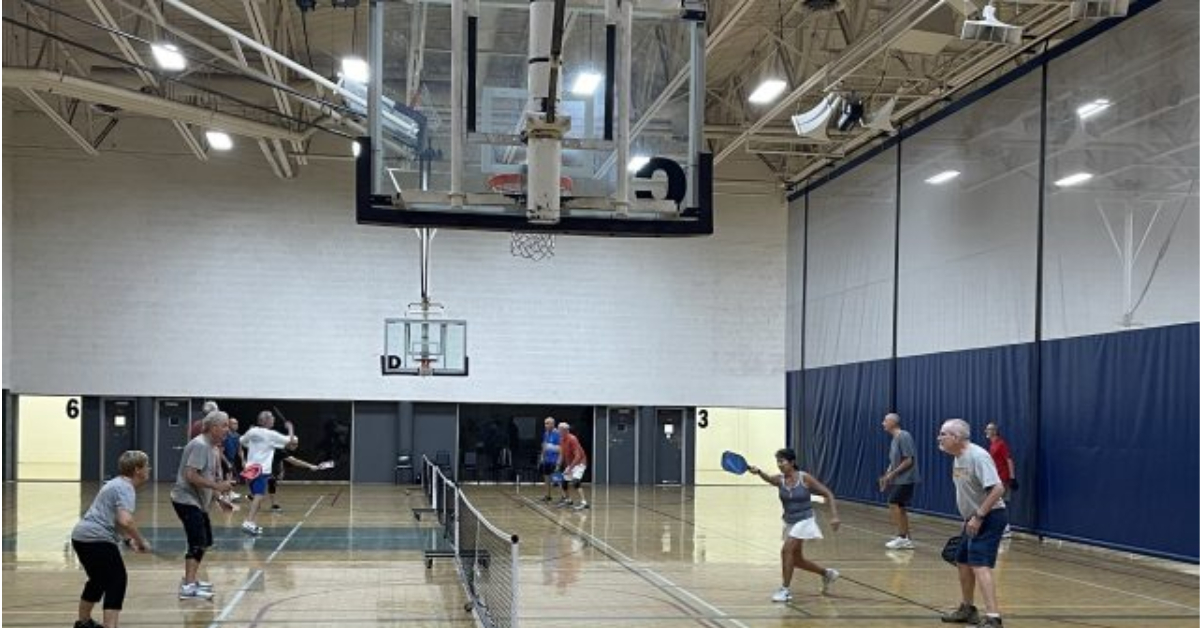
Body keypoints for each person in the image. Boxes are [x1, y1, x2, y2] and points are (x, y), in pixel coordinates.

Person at [937, 419, 1008, 628]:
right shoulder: (958, 457)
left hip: (990, 516)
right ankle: (968, 609)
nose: (939, 438)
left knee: (979, 564)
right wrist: (968, 519)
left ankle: (994, 618)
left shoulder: (977, 456)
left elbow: (998, 489)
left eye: (943, 434)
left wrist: (978, 516)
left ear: (956, 438)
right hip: (973, 518)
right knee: (962, 560)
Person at [70, 450, 152, 628]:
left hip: (81, 537)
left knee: (98, 580)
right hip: (96, 539)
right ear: (138, 469)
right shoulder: (126, 488)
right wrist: (140, 540)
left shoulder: (116, 484)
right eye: (147, 466)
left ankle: (83, 623)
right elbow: (125, 520)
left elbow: (114, 518)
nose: (149, 469)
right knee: (116, 580)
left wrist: (128, 540)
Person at [748, 448, 841, 603]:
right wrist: (758, 472)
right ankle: (827, 574)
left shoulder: (804, 478)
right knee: (797, 560)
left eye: (782, 461)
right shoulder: (780, 480)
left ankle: (785, 590)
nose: (779, 465)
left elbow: (828, 494)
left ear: (791, 462)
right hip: (789, 521)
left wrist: (835, 516)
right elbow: (770, 479)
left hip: (805, 519)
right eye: (778, 461)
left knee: (786, 550)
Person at [171, 411, 234, 601]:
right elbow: (191, 476)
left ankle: (191, 579)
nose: (227, 430)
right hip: (186, 500)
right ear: (213, 427)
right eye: (224, 426)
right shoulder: (199, 445)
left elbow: (207, 476)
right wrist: (218, 486)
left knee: (205, 542)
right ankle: (188, 587)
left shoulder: (212, 447)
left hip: (199, 501)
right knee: (197, 542)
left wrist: (219, 498)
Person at [240, 410, 296, 534]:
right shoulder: (271, 435)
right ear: (265, 421)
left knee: (256, 497)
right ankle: (248, 522)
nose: (274, 420)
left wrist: (253, 446)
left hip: (249, 469)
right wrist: (290, 428)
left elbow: (242, 441)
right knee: (259, 496)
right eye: (271, 418)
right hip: (261, 470)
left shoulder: (252, 431)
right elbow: (291, 442)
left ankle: (252, 523)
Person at [879, 412, 920, 550]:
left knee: (893, 502)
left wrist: (893, 474)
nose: (883, 423)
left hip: (906, 478)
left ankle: (902, 537)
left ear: (893, 422)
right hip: (898, 479)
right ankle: (906, 539)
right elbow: (894, 461)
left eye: (885, 421)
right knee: (901, 507)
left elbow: (909, 460)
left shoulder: (904, 436)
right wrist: (887, 475)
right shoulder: (894, 439)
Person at [983, 423, 1016, 539]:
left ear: (995, 431)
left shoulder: (1001, 444)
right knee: (995, 503)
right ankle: (999, 527)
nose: (986, 431)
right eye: (986, 429)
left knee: (1001, 503)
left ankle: (1006, 529)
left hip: (1003, 478)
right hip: (995, 478)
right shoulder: (992, 445)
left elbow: (1009, 460)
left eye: (989, 429)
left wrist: (1012, 477)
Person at [555, 422, 589, 510]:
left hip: (580, 463)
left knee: (576, 481)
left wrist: (570, 468)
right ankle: (568, 500)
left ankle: (584, 503)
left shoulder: (573, 439)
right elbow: (562, 454)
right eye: (558, 429)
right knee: (564, 482)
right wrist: (558, 465)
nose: (558, 431)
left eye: (560, 429)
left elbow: (578, 456)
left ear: (565, 430)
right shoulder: (561, 439)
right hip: (571, 464)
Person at [537, 417, 561, 502]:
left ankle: (564, 497)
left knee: (557, 480)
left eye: (547, 423)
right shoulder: (546, 433)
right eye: (545, 423)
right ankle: (548, 496)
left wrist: (559, 461)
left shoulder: (558, 434)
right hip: (546, 460)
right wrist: (542, 457)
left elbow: (561, 448)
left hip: (554, 460)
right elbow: (544, 445)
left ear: (552, 424)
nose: (545, 425)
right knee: (546, 478)